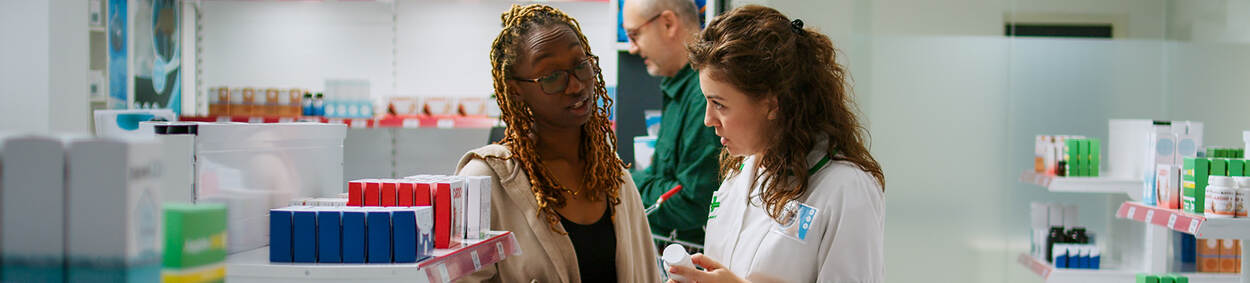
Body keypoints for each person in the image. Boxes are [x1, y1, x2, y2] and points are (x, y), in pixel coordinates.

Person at [668, 5, 886, 283]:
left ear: (771, 103)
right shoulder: (739, 175)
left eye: (719, 104)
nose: (708, 120)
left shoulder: (847, 188)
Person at [454, 4, 660, 282]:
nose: (576, 86)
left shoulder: (615, 179)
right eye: (551, 77)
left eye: (580, 65)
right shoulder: (484, 182)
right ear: (516, 91)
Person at [622, 0, 722, 248]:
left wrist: (623, 181)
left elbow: (690, 204)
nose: (632, 48)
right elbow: (665, 178)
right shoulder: (679, 88)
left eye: (635, 35)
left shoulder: (702, 96)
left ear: (668, 23)